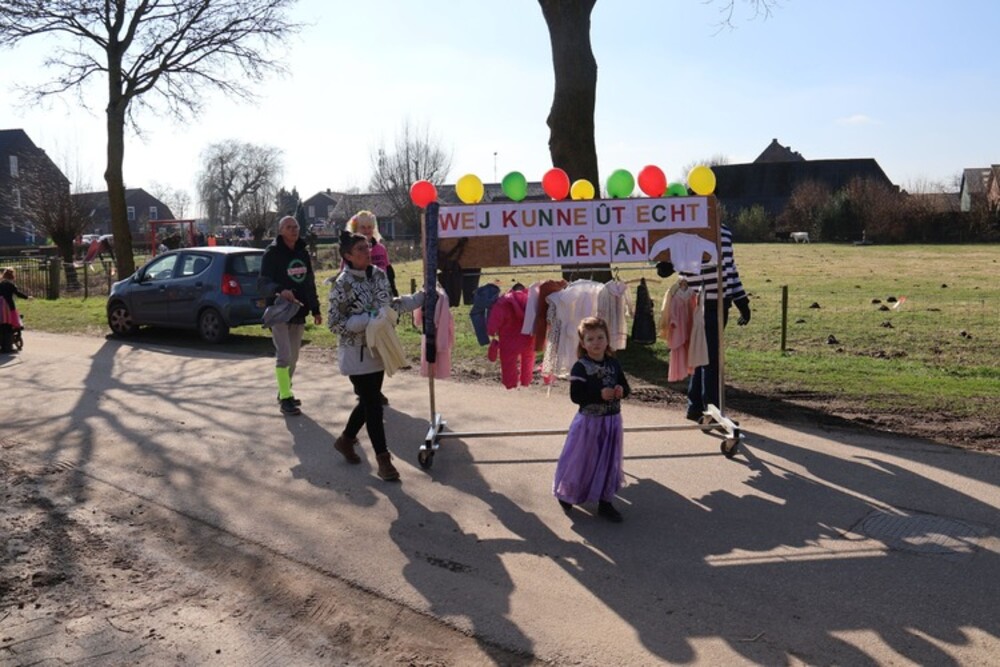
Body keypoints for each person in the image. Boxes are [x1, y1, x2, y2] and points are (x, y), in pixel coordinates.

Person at [327, 230, 424, 481]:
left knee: (368, 402)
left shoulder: (379, 275)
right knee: (373, 404)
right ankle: (383, 460)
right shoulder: (342, 284)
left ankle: (346, 440)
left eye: (368, 247)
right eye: (360, 249)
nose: (367, 251)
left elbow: (389, 305)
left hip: (380, 349)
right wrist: (363, 320)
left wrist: (419, 299)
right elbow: (334, 323)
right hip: (355, 353)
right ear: (348, 256)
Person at [657, 223, 750, 422]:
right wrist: (668, 265)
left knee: (702, 354)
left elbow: (729, 268)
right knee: (709, 357)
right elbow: (673, 262)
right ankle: (710, 409)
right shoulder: (686, 230)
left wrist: (741, 300)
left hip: (719, 301)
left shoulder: (724, 231)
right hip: (693, 301)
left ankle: (696, 406)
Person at [552, 317, 631, 522]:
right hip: (589, 423)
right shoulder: (581, 367)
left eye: (600, 337)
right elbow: (576, 396)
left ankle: (605, 502)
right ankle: (567, 493)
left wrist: (621, 390)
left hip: (612, 422)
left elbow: (626, 387)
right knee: (581, 460)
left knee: (608, 461)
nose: (596, 343)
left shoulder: (613, 363)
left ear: (607, 339)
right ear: (583, 343)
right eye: (590, 339)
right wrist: (599, 395)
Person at [258, 216, 323, 416]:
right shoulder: (272, 253)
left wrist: (315, 309)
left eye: (296, 227)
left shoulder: (302, 252)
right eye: (289, 227)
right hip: (279, 312)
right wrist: (280, 290)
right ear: (280, 231)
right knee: (284, 355)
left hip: (299, 310)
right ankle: (286, 398)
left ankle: (284, 390)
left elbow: (309, 282)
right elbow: (262, 283)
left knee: (293, 358)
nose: (294, 230)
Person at [345, 210, 397, 296]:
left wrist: (394, 294)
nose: (367, 230)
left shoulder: (381, 249)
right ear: (355, 229)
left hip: (382, 295)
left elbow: (389, 274)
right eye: (363, 227)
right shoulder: (350, 251)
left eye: (369, 227)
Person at [1, 267, 31, 354]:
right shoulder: (11, 285)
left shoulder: (0, 284)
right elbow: (18, 294)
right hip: (8, 306)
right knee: (8, 326)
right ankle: (7, 348)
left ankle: (3, 346)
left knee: (2, 326)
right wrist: (27, 297)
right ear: (12, 276)